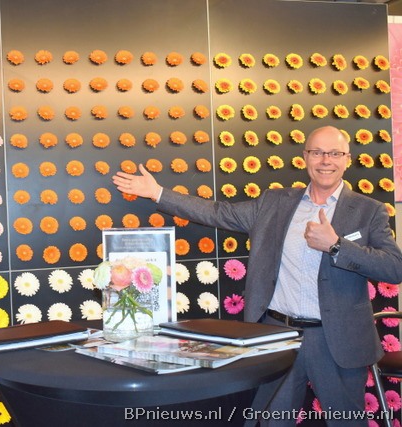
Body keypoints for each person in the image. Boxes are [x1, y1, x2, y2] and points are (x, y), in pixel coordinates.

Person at [112, 125, 402, 425]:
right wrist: (157, 192)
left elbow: (394, 267)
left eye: (335, 153)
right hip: (278, 336)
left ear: (347, 159)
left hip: (337, 341)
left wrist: (337, 246)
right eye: (317, 152)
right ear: (305, 157)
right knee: (273, 420)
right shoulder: (275, 202)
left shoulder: (368, 211)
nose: (326, 160)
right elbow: (217, 212)